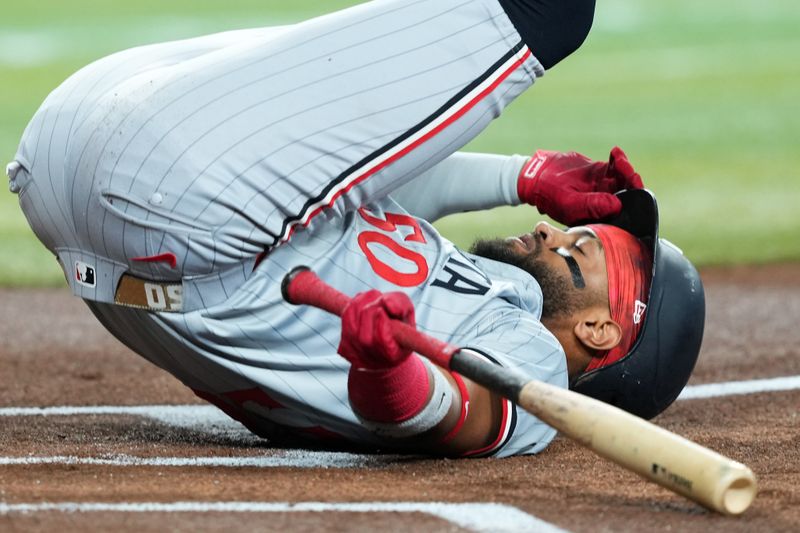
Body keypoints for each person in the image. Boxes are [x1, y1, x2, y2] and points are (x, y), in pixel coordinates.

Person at [6, 0, 704, 457]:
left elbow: (453, 413)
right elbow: (362, 180)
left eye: (582, 247)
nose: (553, 232)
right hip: (82, 197)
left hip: (182, 201)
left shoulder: (535, 362)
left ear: (600, 332)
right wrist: (521, 174)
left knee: (548, 13)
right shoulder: (465, 294)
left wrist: (385, 367)